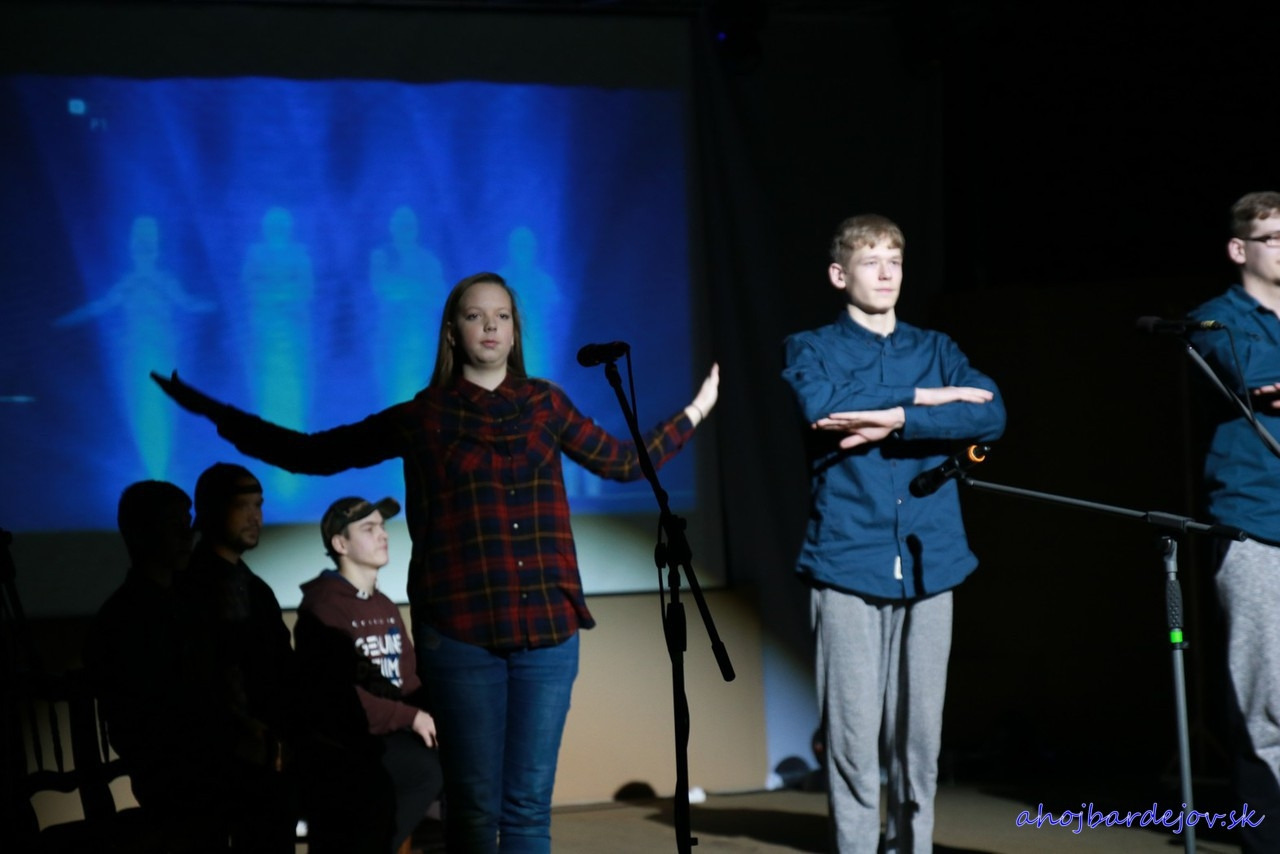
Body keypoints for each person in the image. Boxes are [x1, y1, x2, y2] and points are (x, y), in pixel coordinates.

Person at [152, 270, 719, 853]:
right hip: (462, 635)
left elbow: (624, 462)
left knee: (528, 809)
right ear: (452, 332)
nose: (490, 326)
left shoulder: (545, 403)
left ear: (515, 331)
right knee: (473, 810)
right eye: (476, 316)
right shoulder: (424, 416)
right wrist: (216, 413)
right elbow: (314, 453)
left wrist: (698, 408)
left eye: (502, 316)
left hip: (547, 630)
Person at [781, 215, 1005, 853]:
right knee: (853, 736)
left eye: (895, 261)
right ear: (839, 274)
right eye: (870, 261)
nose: (886, 274)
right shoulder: (810, 346)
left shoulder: (936, 347)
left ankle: (912, 846)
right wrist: (927, 400)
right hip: (847, 557)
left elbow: (991, 413)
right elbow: (824, 405)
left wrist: (898, 419)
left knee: (921, 736)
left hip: (933, 557)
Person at [1187, 190, 1280, 854]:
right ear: (1238, 248)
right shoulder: (1215, 320)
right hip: (1255, 524)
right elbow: (1257, 377)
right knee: (1266, 697)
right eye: (1275, 237)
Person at [295, 495, 443, 853]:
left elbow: (407, 679)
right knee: (423, 771)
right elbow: (338, 698)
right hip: (346, 740)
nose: (383, 535)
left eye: (383, 526)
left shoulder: (384, 604)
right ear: (340, 544)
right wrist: (412, 717)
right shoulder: (324, 606)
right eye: (369, 528)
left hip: (389, 732)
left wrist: (432, 713)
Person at [182, 462, 299, 851]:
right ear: (210, 510)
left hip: (268, 751)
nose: (255, 517)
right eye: (242, 505)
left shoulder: (254, 588)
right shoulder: (189, 590)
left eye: (259, 505)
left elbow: (280, 669)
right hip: (218, 760)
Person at [83, 480, 197, 847]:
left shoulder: (182, 606)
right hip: (176, 776)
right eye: (174, 524)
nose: (187, 534)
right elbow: (140, 722)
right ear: (143, 533)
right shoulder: (124, 619)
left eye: (187, 522)